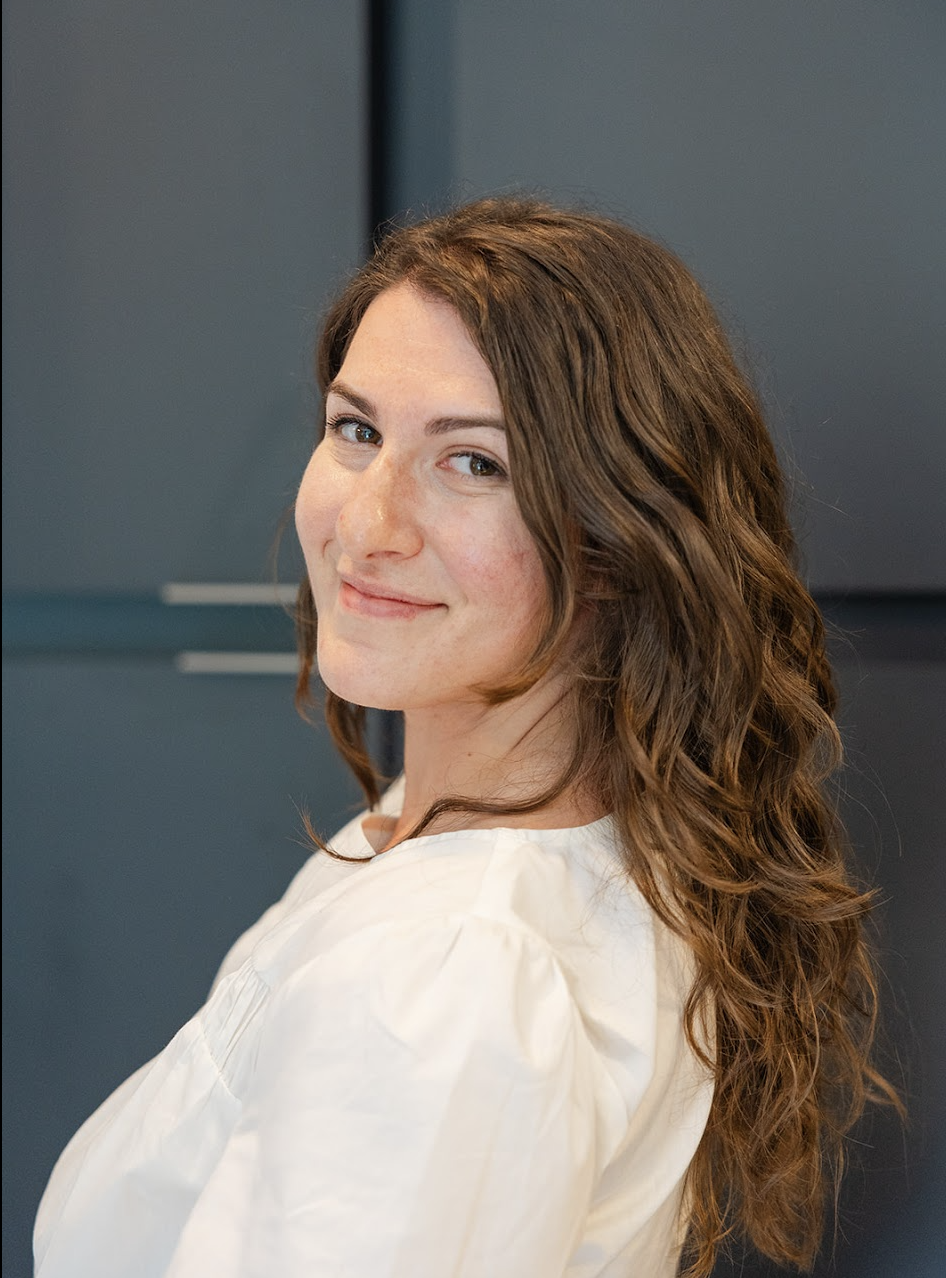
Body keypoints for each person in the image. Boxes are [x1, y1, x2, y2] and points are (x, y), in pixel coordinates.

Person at [33, 197, 896, 1277]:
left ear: (618, 543)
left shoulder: (438, 978)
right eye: (357, 431)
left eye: (473, 463)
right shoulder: (509, 847)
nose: (367, 523)